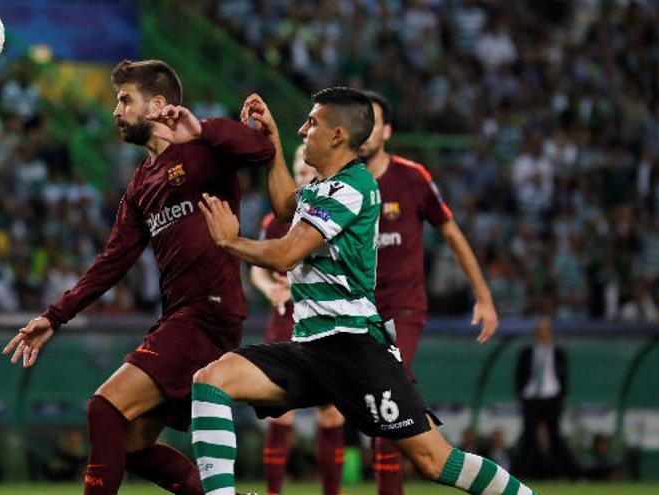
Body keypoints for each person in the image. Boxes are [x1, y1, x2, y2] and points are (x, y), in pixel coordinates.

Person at [192, 87, 537, 495]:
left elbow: (285, 254)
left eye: (312, 122)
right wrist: (271, 143)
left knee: (434, 460)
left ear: (338, 135)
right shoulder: (324, 186)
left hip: (354, 349)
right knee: (211, 379)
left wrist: (232, 243)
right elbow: (286, 205)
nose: (302, 130)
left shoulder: (352, 187)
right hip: (311, 348)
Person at [1, 59, 276, 495]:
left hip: (208, 313)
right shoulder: (140, 183)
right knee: (126, 443)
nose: (116, 110)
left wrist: (201, 129)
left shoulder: (203, 148)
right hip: (179, 319)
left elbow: (262, 151)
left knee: (103, 409)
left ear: (158, 105)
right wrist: (54, 317)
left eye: (125, 99)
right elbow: (113, 260)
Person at [358, 91, 499, 494]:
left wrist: (483, 296)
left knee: (387, 408)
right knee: (380, 411)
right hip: (358, 313)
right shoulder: (344, 182)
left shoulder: (412, 178)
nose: (365, 131)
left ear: (386, 131)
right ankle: (435, 442)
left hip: (402, 309)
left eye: (373, 123)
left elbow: (452, 234)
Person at [250, 144, 345, 495]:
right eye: (299, 169)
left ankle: (331, 492)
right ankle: (274, 491)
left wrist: (295, 281)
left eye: (309, 170)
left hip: (325, 322)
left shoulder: (334, 211)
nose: (305, 175)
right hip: (284, 323)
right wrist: (269, 290)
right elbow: (257, 271)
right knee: (281, 411)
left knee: (332, 413)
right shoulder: (275, 218)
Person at [513, 317, 577, 479]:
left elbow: (564, 378)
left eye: (545, 332)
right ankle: (525, 473)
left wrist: (560, 399)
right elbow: (519, 376)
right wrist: (521, 396)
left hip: (551, 398)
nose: (542, 335)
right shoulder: (526, 352)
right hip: (531, 398)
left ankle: (564, 473)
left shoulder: (558, 353)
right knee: (528, 437)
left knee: (555, 436)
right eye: (540, 332)